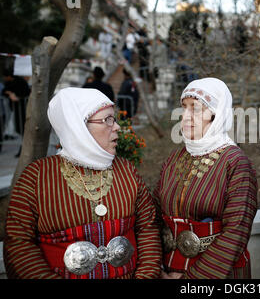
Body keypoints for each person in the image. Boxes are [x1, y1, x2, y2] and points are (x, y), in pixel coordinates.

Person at [3, 87, 161, 279]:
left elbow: (147, 229)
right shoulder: (36, 177)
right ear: (78, 127)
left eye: (115, 118)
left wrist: (145, 276)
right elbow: (19, 245)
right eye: (107, 120)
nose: (117, 127)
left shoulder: (126, 170)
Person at [153, 77, 257, 279]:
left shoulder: (236, 163)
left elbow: (235, 233)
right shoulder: (174, 159)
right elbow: (155, 216)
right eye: (184, 108)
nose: (185, 117)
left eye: (196, 108)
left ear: (216, 115)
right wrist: (158, 269)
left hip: (218, 273)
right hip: (169, 268)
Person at [1, 71, 31, 157]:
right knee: (20, 129)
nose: (4, 79)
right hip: (17, 110)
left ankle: (23, 150)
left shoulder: (20, 82)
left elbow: (25, 92)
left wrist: (16, 97)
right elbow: (4, 91)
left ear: (9, 76)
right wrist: (10, 94)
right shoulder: (11, 83)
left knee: (22, 130)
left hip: (22, 109)